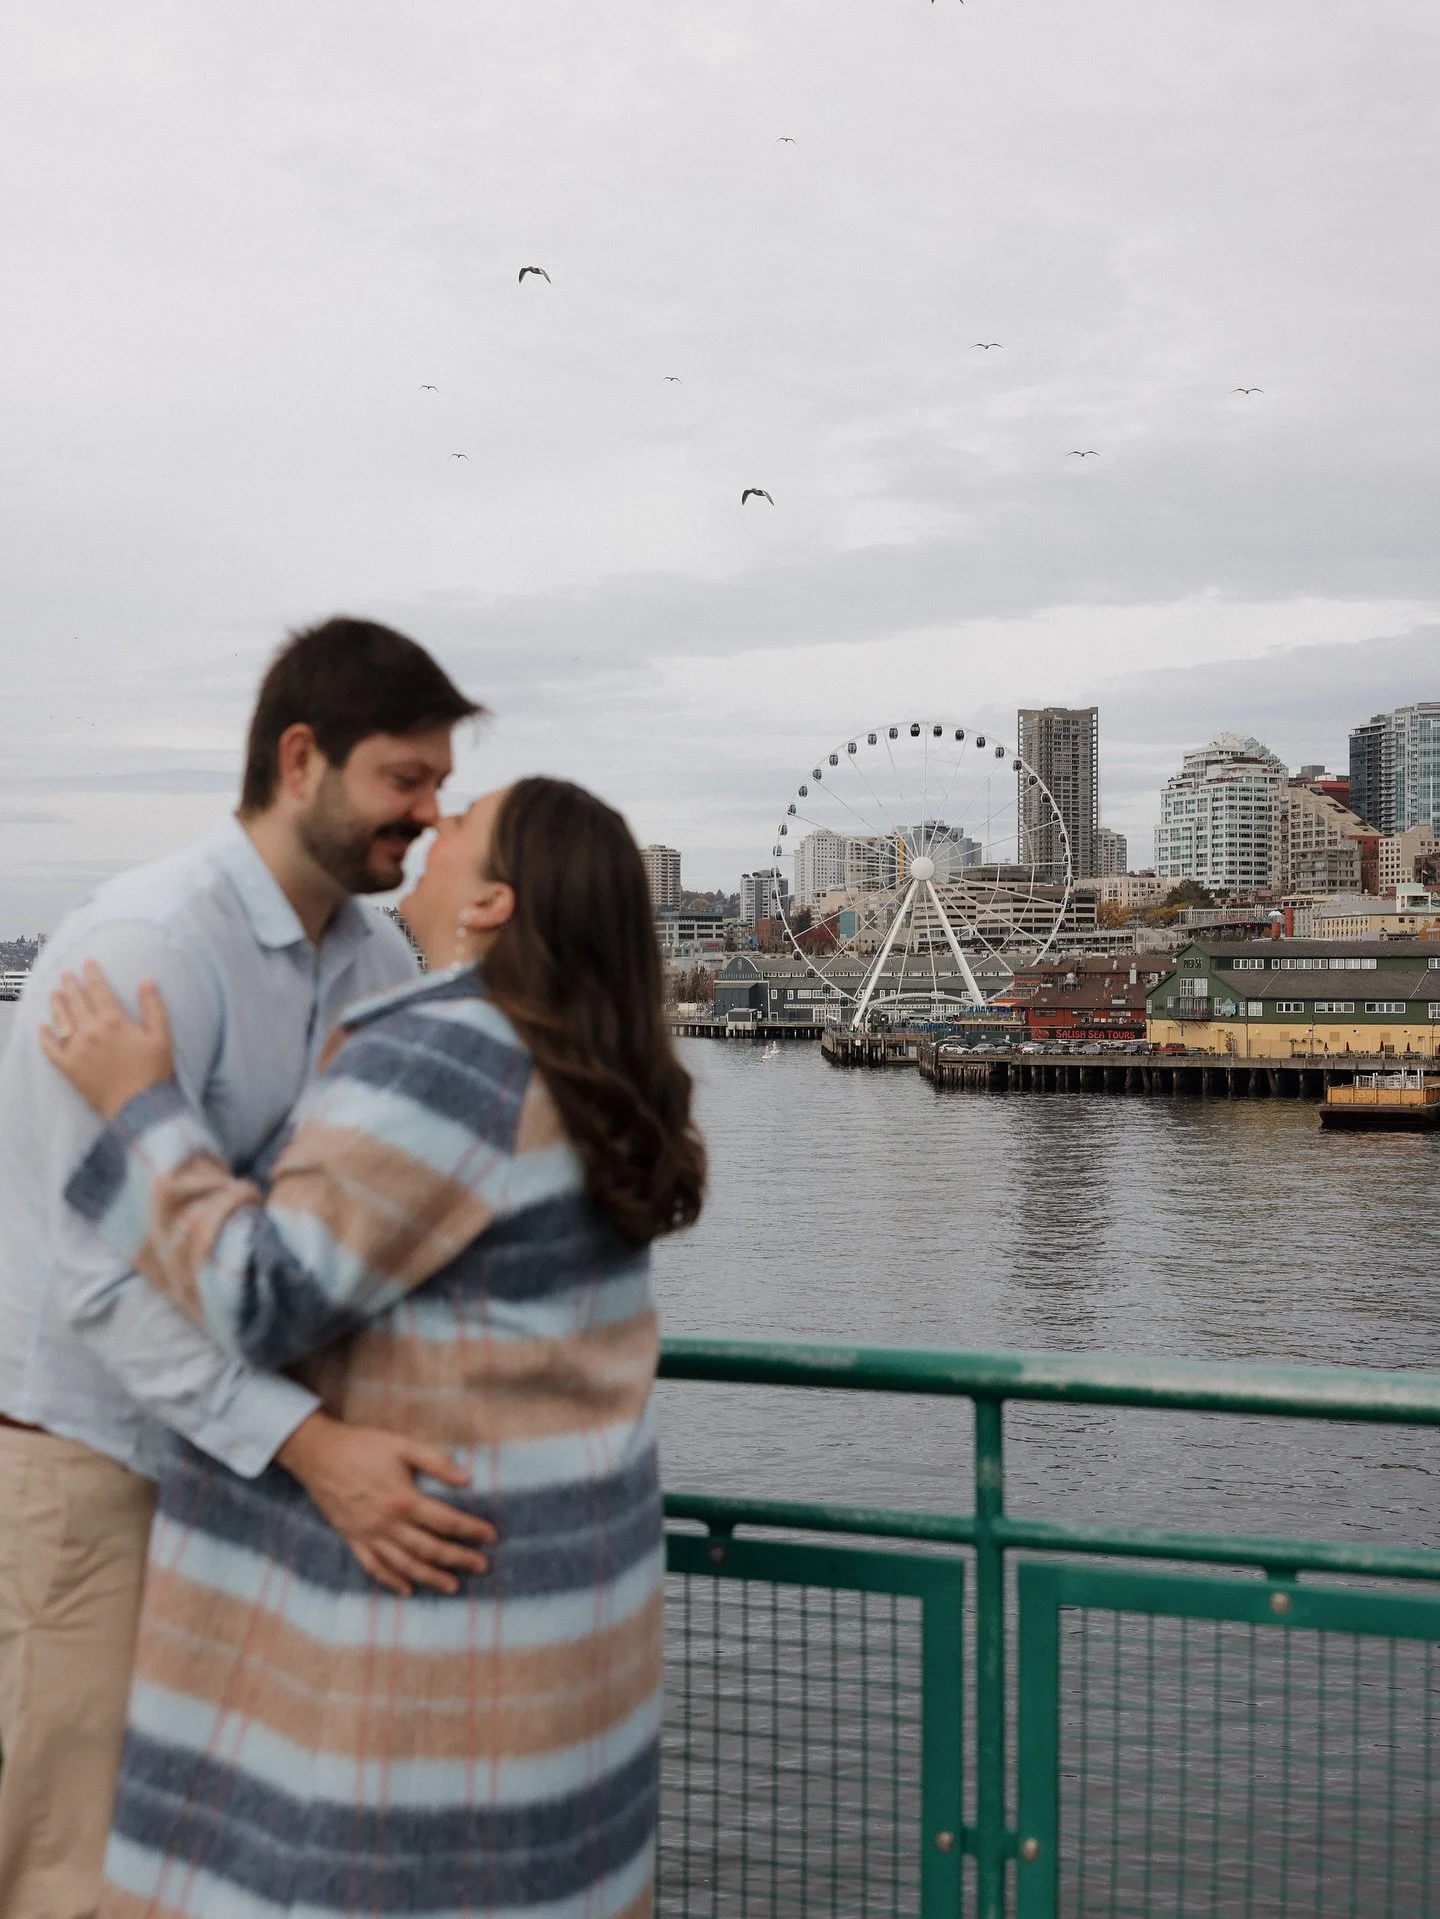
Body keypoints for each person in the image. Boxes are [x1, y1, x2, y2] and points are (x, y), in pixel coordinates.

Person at [42, 776, 706, 1919]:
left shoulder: (453, 1053)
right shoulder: (594, 1069)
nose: (427, 831)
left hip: (442, 1631)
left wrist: (136, 1104)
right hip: (568, 1610)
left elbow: (260, 1293)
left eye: (456, 825)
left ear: (494, 900)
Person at [0, 617, 498, 1919]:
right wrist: (316, 1449)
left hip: (254, 1472)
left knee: (217, 1864)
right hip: (100, 1463)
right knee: (79, 1862)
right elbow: (95, 1284)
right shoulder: (143, 949)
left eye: (442, 782)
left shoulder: (378, 959)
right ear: (300, 759)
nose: (431, 813)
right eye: (406, 777)